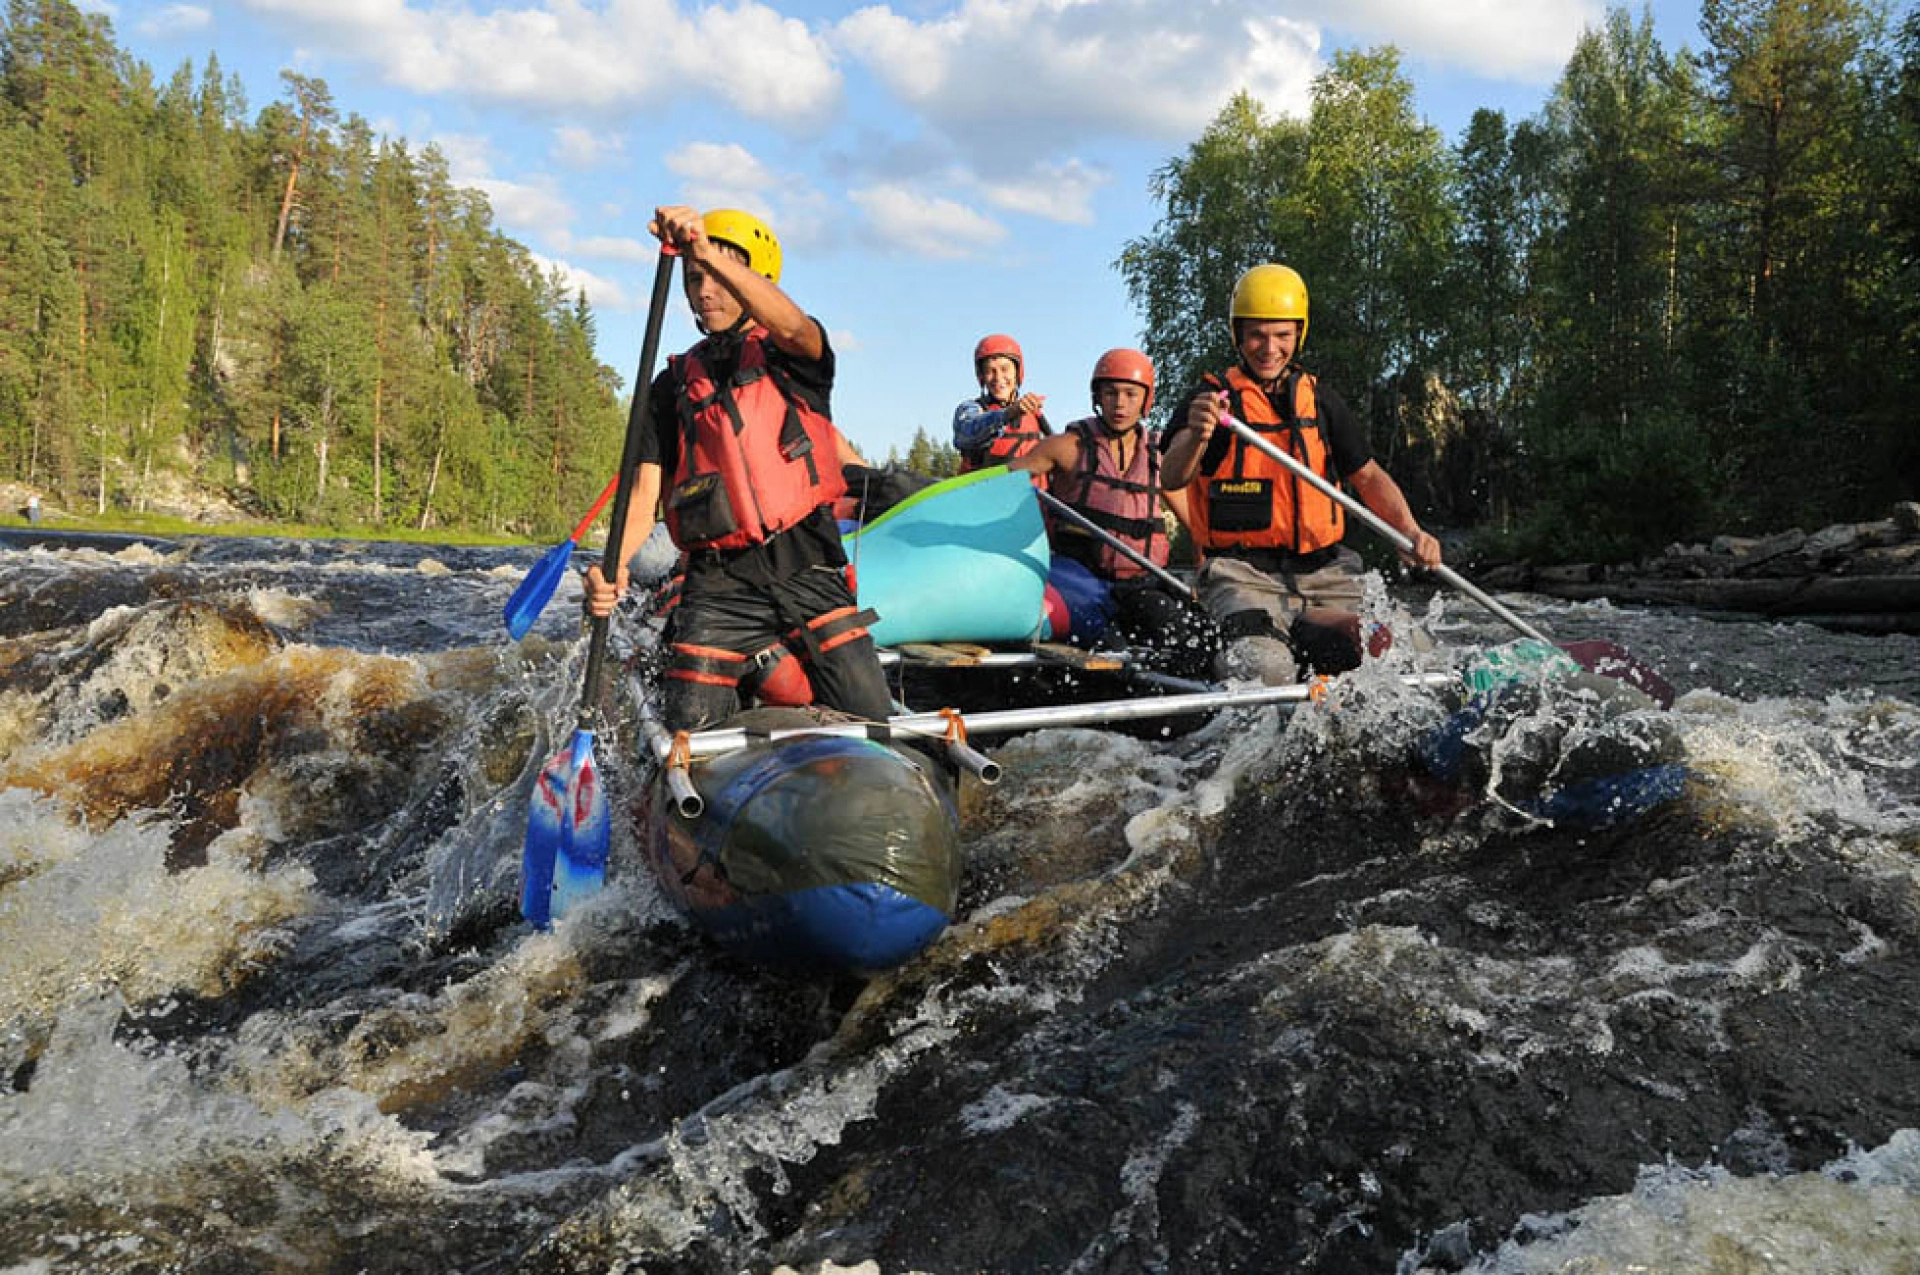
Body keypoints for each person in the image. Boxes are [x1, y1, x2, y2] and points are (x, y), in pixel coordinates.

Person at [584, 206, 893, 731]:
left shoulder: (795, 357)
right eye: (694, 276)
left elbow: (793, 324)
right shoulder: (671, 386)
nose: (704, 289)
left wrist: (702, 248)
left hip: (808, 565)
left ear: (754, 280)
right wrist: (612, 569)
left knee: (872, 720)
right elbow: (643, 495)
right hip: (718, 584)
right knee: (690, 730)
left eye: (718, 275)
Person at [1160, 263, 1442, 684]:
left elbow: (1368, 477)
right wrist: (1198, 436)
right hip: (1242, 575)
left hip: (1327, 574)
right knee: (1265, 667)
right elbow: (1172, 476)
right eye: (1257, 334)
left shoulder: (1323, 403)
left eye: (1281, 335)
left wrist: (1409, 530)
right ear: (1239, 335)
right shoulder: (1210, 402)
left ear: (1298, 335)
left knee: (1411, 648)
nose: (1268, 347)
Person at [1009, 348, 1218, 681]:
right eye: (1111, 393)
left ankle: (1171, 706)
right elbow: (1005, 479)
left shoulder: (1161, 458)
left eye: (1130, 394)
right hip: (1078, 580)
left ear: (1145, 401)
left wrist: (1205, 574)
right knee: (1112, 650)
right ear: (1098, 397)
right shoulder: (1067, 447)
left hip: (1141, 581)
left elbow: (1196, 526)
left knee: (1191, 636)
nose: (1120, 403)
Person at [952, 334, 1050, 471]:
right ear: (982, 377)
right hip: (984, 490)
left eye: (1005, 369)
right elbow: (968, 432)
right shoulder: (970, 409)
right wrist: (1008, 414)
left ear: (1017, 373)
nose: (998, 377)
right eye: (990, 371)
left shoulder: (1035, 415)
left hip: (1028, 491)